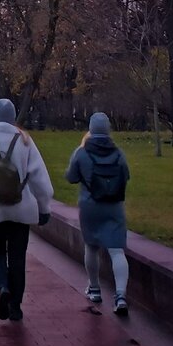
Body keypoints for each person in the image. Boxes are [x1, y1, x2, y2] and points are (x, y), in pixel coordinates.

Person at [0, 98, 54, 322]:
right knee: (18, 257)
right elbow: (40, 179)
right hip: (21, 208)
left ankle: (2, 286)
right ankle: (16, 306)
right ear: (14, 115)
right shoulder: (25, 140)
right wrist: (44, 208)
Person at [66, 112, 132, 316]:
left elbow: (71, 177)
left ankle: (94, 289)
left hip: (89, 205)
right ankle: (120, 295)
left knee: (91, 247)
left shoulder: (82, 152)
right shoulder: (118, 153)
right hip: (113, 205)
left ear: (91, 129)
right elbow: (126, 175)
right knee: (117, 250)